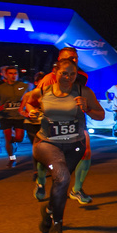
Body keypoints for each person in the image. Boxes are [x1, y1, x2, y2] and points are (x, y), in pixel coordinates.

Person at [24, 59, 104, 233]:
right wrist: (31, 111)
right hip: (47, 143)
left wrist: (87, 108)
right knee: (64, 177)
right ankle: (57, 224)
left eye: (72, 74)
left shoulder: (83, 92)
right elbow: (28, 103)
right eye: (64, 73)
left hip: (74, 145)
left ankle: (48, 210)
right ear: (55, 73)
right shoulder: (43, 91)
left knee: (60, 182)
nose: (68, 77)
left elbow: (101, 115)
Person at [33, 47, 96, 204]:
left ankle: (77, 190)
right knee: (46, 160)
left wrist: (86, 106)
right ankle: (41, 183)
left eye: (75, 58)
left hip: (76, 123)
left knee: (86, 152)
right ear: (59, 61)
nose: (73, 60)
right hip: (52, 126)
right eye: (69, 58)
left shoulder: (82, 76)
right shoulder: (48, 79)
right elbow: (33, 101)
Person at [0, 66, 30, 168]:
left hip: (19, 116)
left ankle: (14, 142)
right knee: (7, 138)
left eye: (15, 73)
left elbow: (31, 99)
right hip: (5, 116)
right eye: (11, 73)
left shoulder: (24, 86)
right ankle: (12, 158)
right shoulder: (0, 88)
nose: (13, 75)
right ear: (6, 75)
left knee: (19, 138)